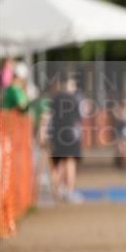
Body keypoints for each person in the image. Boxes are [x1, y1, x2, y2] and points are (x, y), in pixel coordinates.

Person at [48, 75, 85, 203]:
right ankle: (69, 191)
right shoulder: (74, 99)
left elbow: (50, 117)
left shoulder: (54, 98)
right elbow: (80, 118)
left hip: (57, 134)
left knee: (59, 164)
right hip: (70, 134)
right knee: (70, 162)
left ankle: (55, 191)